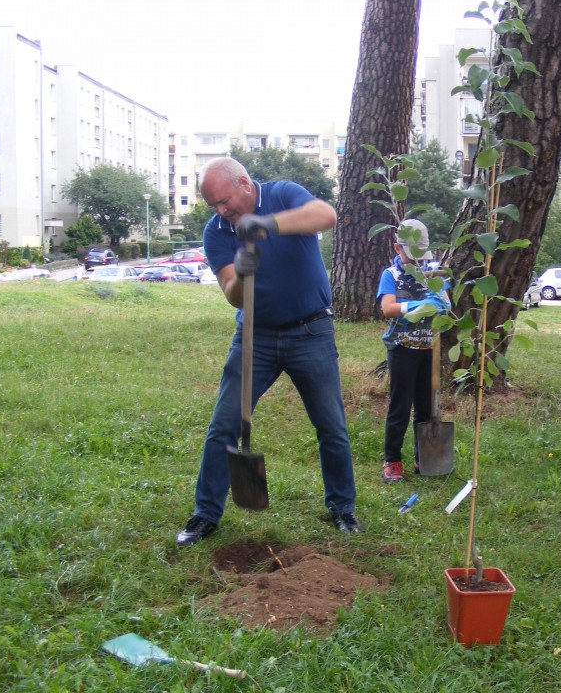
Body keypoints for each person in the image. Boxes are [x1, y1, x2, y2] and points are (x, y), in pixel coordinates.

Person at [176, 157, 362, 545]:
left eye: (224, 201)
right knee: (224, 424)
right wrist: (243, 273)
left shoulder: (282, 194)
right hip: (254, 338)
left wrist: (267, 224)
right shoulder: (216, 232)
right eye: (213, 204)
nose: (220, 211)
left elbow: (325, 216)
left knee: (330, 425)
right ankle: (205, 513)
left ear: (244, 184)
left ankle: (342, 507)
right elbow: (233, 295)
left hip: (311, 330)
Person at [375, 219, 449, 482]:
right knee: (400, 405)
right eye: (411, 253)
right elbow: (387, 308)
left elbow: (446, 304)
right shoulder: (391, 275)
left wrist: (441, 303)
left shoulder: (434, 273)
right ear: (397, 248)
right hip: (402, 349)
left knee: (426, 407)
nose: (417, 260)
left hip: (429, 348)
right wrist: (415, 307)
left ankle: (425, 457)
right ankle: (392, 460)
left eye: (421, 253)